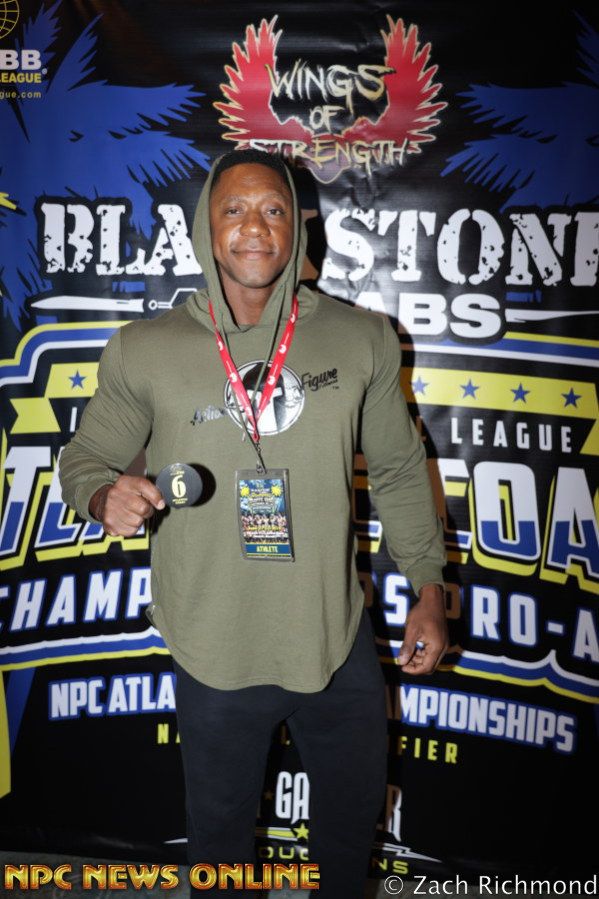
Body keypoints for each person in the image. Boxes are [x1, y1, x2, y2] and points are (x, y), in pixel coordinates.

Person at [59, 149, 448, 898]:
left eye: (273, 209)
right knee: (220, 847)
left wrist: (428, 587)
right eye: (233, 209)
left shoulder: (360, 338)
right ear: (205, 228)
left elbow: (400, 470)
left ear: (297, 227)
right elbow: (85, 459)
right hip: (214, 644)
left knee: (348, 835)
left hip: (332, 637)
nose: (254, 227)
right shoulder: (146, 348)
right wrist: (102, 495)